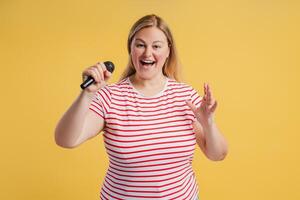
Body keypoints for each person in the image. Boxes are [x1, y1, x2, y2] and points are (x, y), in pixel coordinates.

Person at [55, 14, 228, 200]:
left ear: (168, 50)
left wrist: (208, 123)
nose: (147, 53)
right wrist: (87, 95)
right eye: (140, 45)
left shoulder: (185, 96)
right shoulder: (110, 97)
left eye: (156, 46)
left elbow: (217, 155)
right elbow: (66, 140)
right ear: (130, 48)